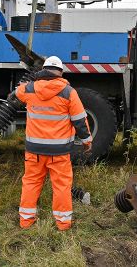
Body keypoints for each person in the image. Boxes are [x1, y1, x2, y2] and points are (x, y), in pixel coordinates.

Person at [15, 55, 93, 231]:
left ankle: (26, 221)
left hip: (34, 151)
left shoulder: (29, 89)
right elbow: (80, 121)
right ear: (60, 73)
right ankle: (63, 223)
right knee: (61, 186)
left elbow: (16, 92)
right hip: (59, 152)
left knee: (31, 183)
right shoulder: (68, 92)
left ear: (43, 70)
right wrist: (87, 141)